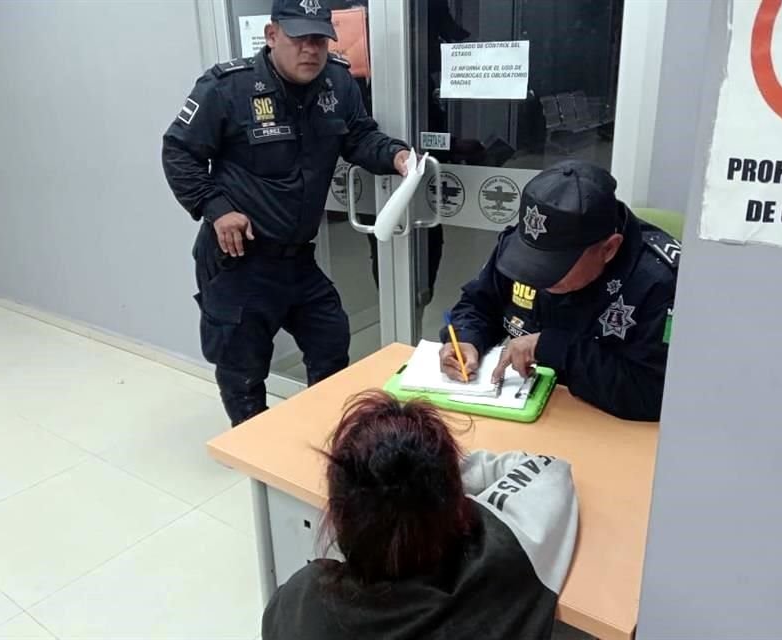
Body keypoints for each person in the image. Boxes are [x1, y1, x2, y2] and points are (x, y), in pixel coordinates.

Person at [161, 0, 410, 426]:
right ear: (272, 35)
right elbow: (179, 152)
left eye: (319, 39)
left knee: (330, 338)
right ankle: (256, 449)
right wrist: (216, 208)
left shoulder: (337, 82)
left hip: (298, 259)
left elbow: (360, 136)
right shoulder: (226, 88)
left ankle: (327, 434)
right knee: (243, 369)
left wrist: (397, 156)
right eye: (299, 39)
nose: (310, 50)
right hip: (239, 260)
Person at [261, 390, 578, 640]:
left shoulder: (299, 605)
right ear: (454, 505)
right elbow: (548, 469)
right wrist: (434, 470)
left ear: (338, 515)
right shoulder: (505, 561)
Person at [439, 160, 679, 421]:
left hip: (604, 427)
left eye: (554, 265)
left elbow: (653, 393)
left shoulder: (661, 282)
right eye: (531, 258)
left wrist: (553, 347)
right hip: (523, 410)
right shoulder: (519, 248)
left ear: (609, 249)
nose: (536, 275)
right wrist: (466, 337)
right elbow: (479, 304)